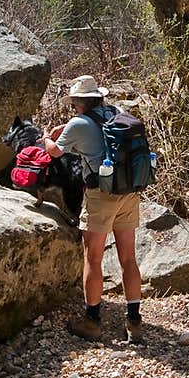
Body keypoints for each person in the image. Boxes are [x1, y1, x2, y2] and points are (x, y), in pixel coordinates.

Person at [41, 74, 143, 344]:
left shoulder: (78, 122)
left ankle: (92, 322)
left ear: (78, 102)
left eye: (74, 102)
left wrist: (45, 138)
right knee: (129, 259)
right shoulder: (117, 112)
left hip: (100, 195)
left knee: (93, 259)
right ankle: (134, 322)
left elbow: (55, 152)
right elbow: (94, 130)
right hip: (128, 191)